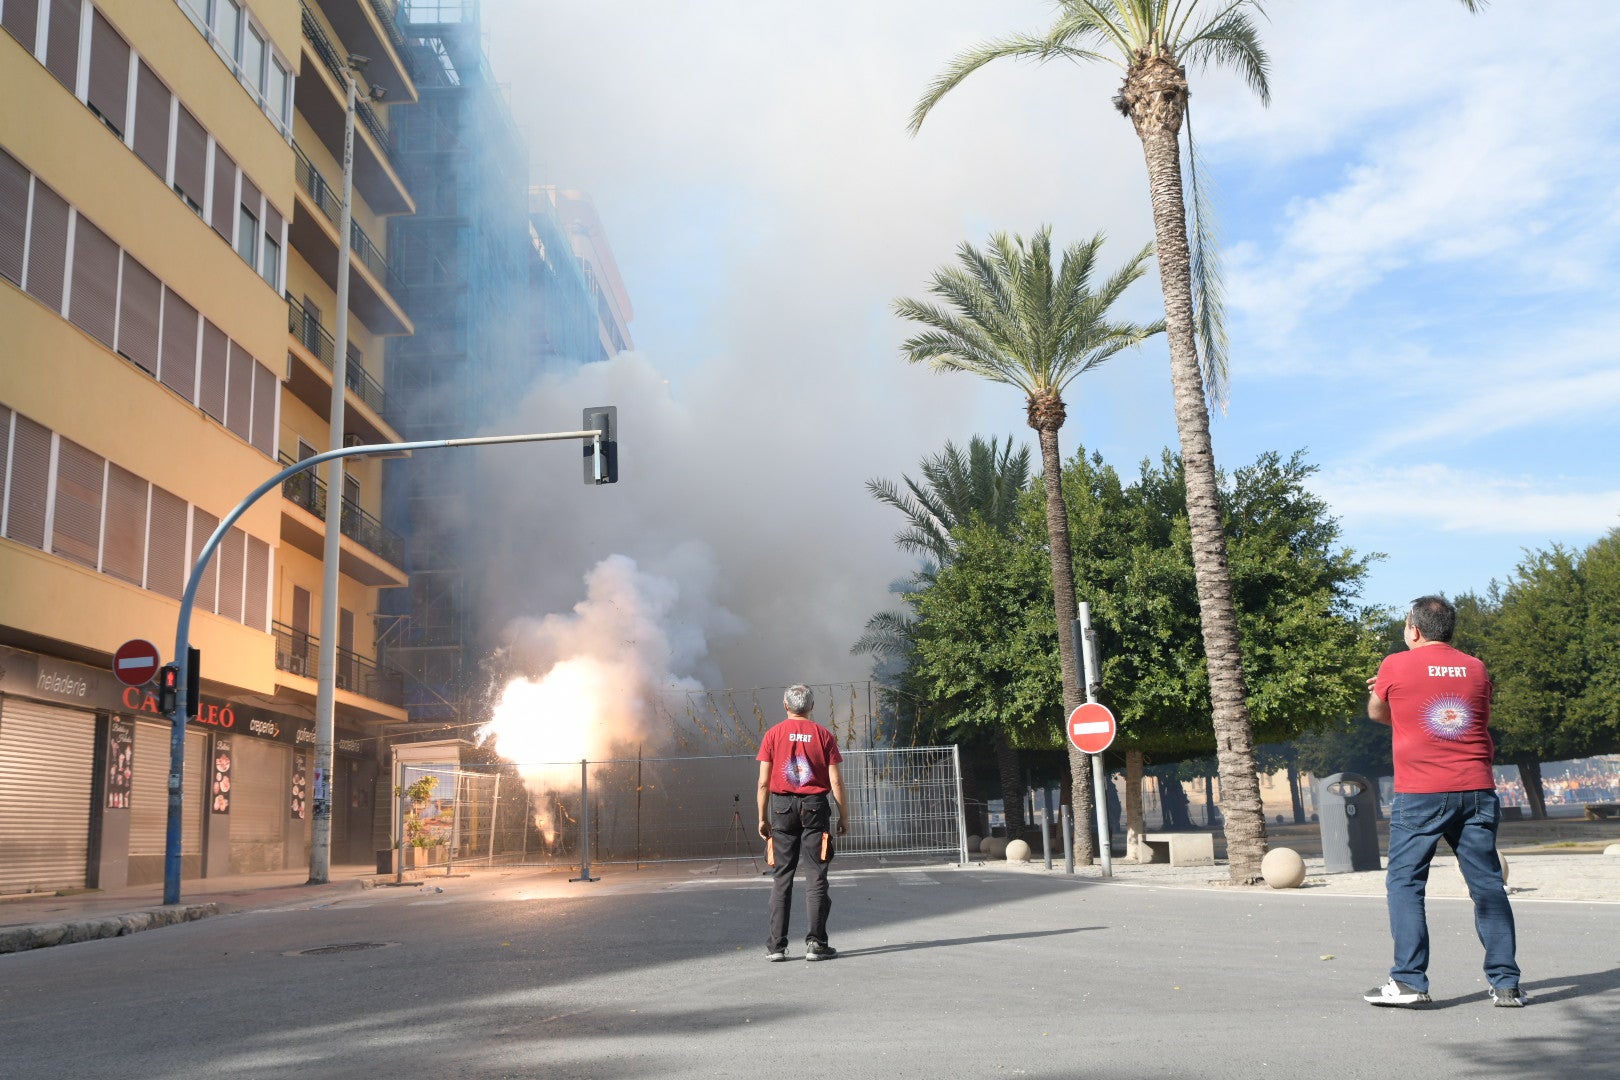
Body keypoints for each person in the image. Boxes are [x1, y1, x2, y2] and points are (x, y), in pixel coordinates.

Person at [1363, 595, 1525, 1008]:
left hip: (1420, 792)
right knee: (1487, 885)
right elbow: (1476, 719)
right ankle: (1506, 983)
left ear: (1413, 630)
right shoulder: (1476, 667)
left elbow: (1379, 714)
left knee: (1406, 882)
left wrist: (1386, 692)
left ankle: (1409, 982)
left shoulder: (1395, 664)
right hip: (1476, 788)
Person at [756, 684, 848, 962]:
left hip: (782, 808)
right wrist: (845, 815)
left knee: (782, 877)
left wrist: (762, 817)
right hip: (815, 808)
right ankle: (816, 944)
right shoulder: (823, 735)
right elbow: (835, 781)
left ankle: (777, 947)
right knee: (816, 876)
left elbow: (763, 782)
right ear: (811, 707)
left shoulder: (772, 734)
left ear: (786, 705)